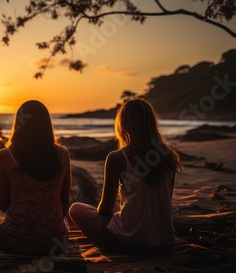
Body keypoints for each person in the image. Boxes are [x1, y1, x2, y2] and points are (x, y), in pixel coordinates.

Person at [69, 98, 182, 255]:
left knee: (76, 208)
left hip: (130, 241)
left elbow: (105, 210)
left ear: (123, 125)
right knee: (118, 207)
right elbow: (165, 202)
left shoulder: (118, 157)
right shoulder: (168, 156)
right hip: (164, 241)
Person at [0, 100, 71, 255]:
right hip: (57, 242)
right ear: (46, 125)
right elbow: (65, 205)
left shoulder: (6, 156)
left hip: (17, 242)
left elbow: (4, 206)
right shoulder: (63, 155)